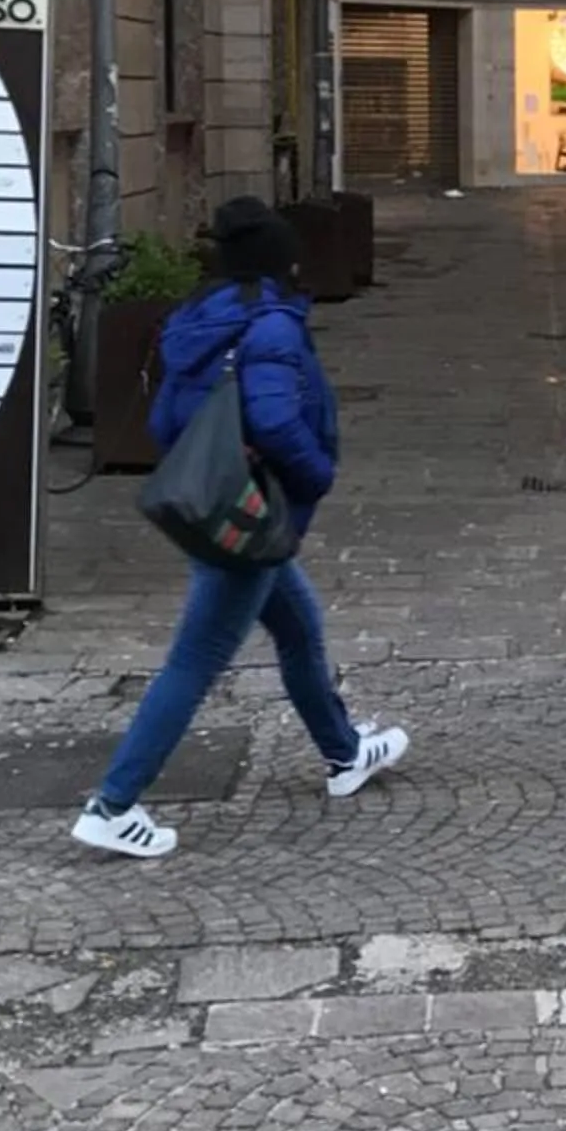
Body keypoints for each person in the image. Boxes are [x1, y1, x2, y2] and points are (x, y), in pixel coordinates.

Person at [72, 197, 407, 861]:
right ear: (283, 261)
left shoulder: (200, 319)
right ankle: (113, 804)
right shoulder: (271, 327)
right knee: (195, 661)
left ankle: (345, 754)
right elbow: (277, 421)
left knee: (299, 629)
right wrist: (315, 475)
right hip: (251, 514)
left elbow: (166, 423)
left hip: (222, 505)